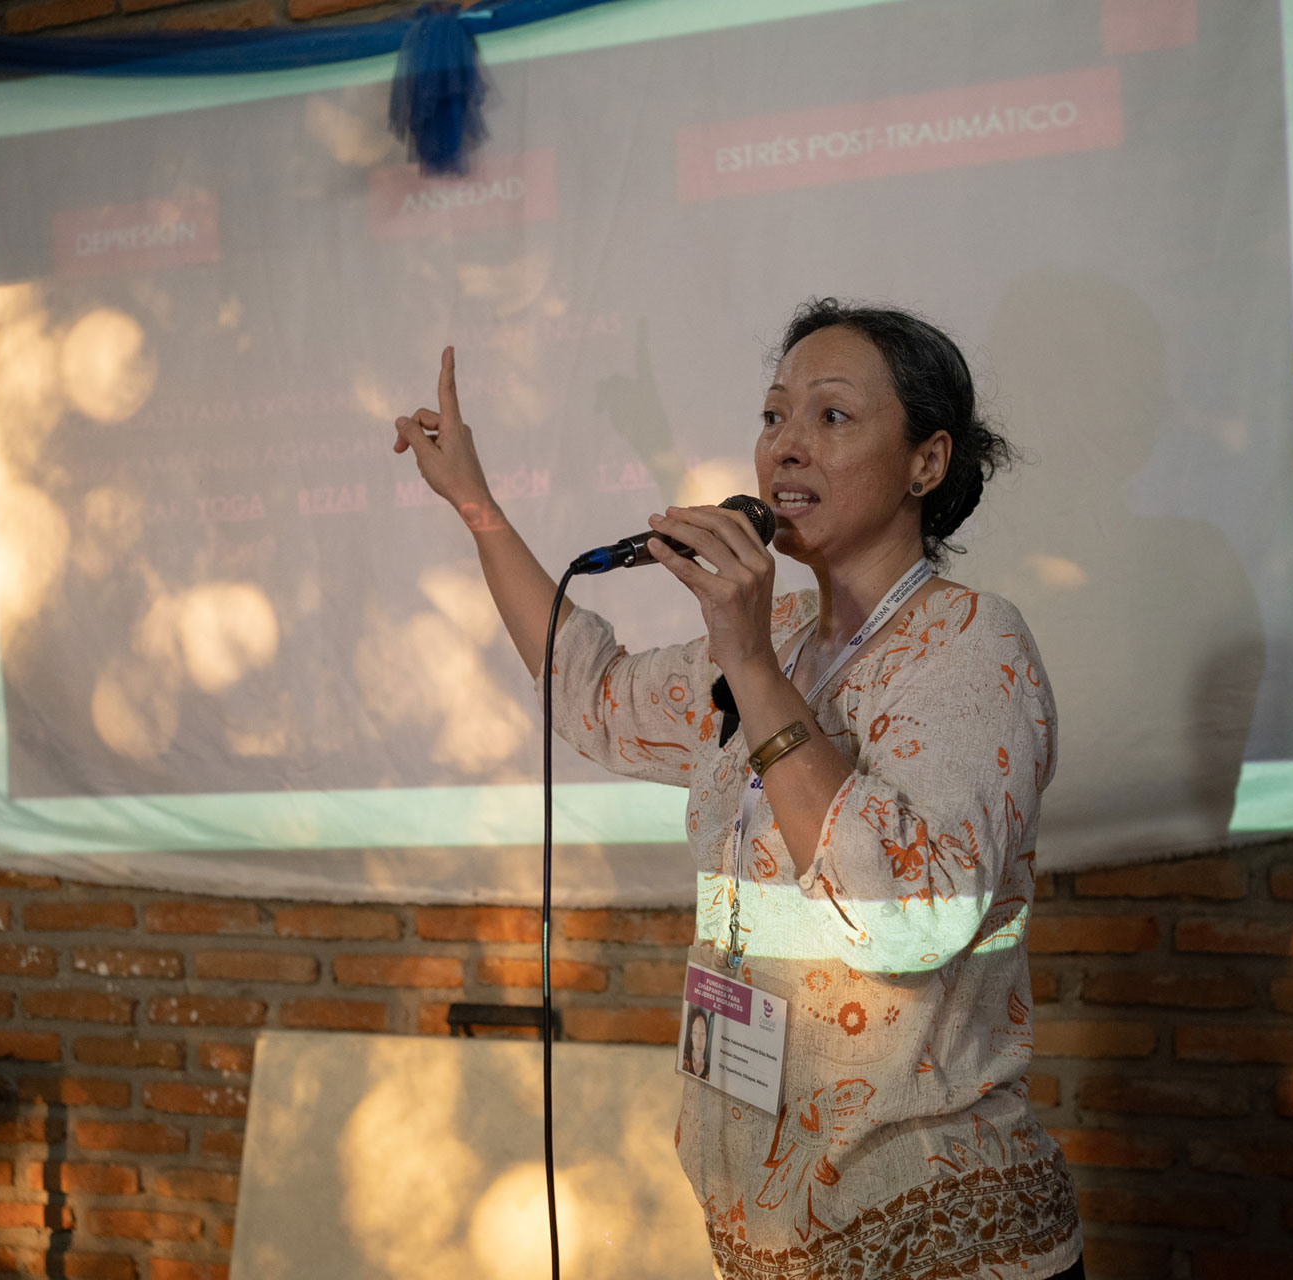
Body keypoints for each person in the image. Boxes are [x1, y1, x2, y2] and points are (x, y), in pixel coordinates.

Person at [393, 297, 1082, 1280]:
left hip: (936, 1242)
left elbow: (907, 919)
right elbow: (590, 694)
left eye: (831, 417)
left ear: (927, 462)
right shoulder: (780, 633)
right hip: (771, 1241)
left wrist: (751, 659)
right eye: (772, 417)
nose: (786, 446)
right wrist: (477, 507)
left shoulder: (972, 643)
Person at [682, 1005, 714, 1080]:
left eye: (702, 1033)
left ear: (706, 1037)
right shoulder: (683, 1060)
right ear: (691, 1036)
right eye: (695, 1032)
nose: (699, 1039)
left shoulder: (710, 1070)